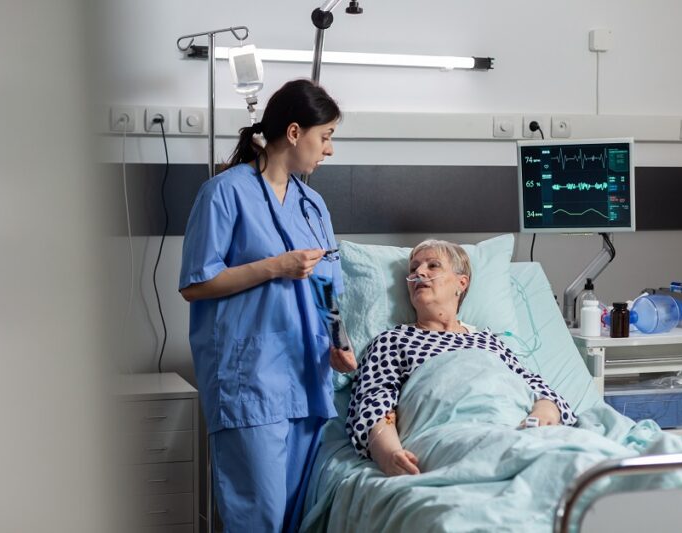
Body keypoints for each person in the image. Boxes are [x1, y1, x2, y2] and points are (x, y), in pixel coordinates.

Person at [179, 79, 357, 533]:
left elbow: (328, 285)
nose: (330, 149)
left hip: (307, 377)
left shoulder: (313, 205)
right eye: (325, 137)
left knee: (295, 520)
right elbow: (196, 285)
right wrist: (276, 266)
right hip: (250, 379)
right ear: (294, 133)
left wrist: (339, 341)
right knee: (260, 517)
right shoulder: (224, 193)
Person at [345, 239, 577, 476]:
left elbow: (534, 385)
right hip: (449, 433)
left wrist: (545, 413)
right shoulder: (393, 340)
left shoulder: (490, 341)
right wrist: (389, 455)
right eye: (413, 269)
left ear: (461, 283)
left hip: (515, 425)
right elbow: (373, 401)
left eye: (433, 265)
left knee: (582, 454)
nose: (419, 273)